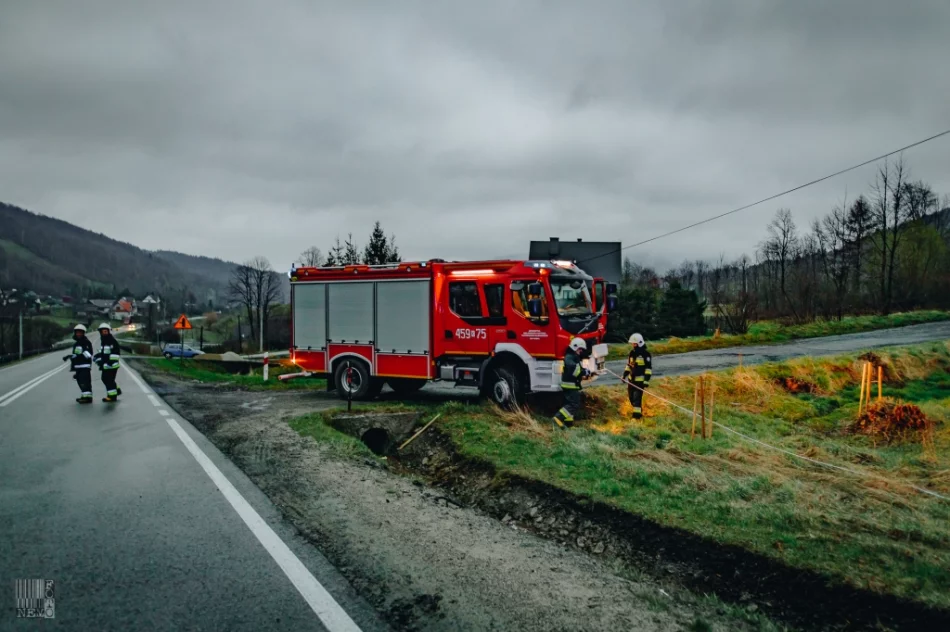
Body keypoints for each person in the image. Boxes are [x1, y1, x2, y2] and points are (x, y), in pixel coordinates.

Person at [553, 337, 590, 428]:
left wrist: (585, 370)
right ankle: (558, 418)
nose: (581, 351)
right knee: (574, 404)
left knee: (569, 403)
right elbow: (575, 372)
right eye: (580, 349)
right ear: (575, 347)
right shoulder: (570, 357)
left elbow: (577, 368)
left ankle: (568, 423)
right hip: (570, 386)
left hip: (571, 385)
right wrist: (584, 372)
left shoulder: (573, 357)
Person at [622, 333, 652, 419]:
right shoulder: (632, 353)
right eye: (632, 343)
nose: (633, 345)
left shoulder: (646, 354)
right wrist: (624, 375)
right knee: (631, 399)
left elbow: (648, 369)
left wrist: (646, 381)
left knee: (636, 399)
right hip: (631, 380)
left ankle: (636, 417)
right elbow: (629, 366)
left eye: (634, 343)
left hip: (640, 382)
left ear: (639, 343)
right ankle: (638, 413)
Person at [63, 324, 94, 403]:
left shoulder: (86, 342)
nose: (79, 334)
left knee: (85, 382)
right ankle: (84, 396)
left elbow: (88, 354)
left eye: (80, 332)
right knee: (80, 382)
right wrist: (69, 357)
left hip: (85, 366)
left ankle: (87, 398)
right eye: (77, 332)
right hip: (78, 366)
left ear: (83, 333)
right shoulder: (76, 344)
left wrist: (78, 356)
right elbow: (76, 355)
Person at [95, 323, 122, 402]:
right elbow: (105, 352)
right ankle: (116, 390)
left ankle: (112, 396)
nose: (105, 333)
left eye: (106, 331)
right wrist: (99, 356)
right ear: (100, 332)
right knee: (106, 379)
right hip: (106, 365)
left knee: (108, 380)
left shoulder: (111, 341)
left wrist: (109, 362)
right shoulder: (104, 341)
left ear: (108, 331)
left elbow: (115, 353)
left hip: (112, 365)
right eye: (103, 331)